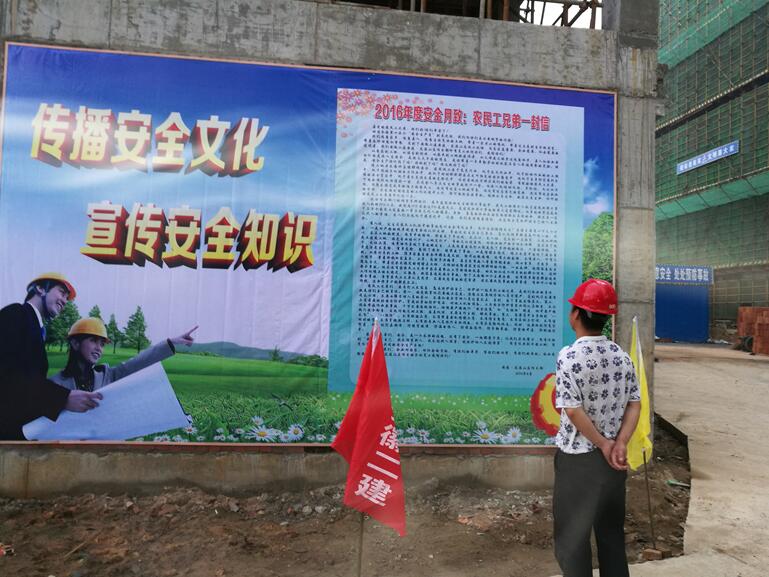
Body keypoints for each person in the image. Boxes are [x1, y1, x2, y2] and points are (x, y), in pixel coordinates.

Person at [552, 279, 641, 577]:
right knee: (611, 536)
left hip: (578, 462)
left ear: (576, 314)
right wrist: (619, 443)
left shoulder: (568, 357)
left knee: (573, 539)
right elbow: (635, 403)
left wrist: (602, 443)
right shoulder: (622, 357)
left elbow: (572, 409)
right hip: (614, 462)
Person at [0, 273, 102, 440]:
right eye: (62, 292)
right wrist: (63, 398)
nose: (65, 301)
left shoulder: (36, 327)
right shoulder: (15, 314)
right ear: (40, 288)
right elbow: (9, 376)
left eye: (67, 297)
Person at [50, 318, 197, 392]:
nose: (99, 348)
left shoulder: (107, 376)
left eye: (102, 344)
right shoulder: (54, 384)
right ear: (75, 343)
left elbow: (138, 362)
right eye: (93, 341)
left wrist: (171, 342)